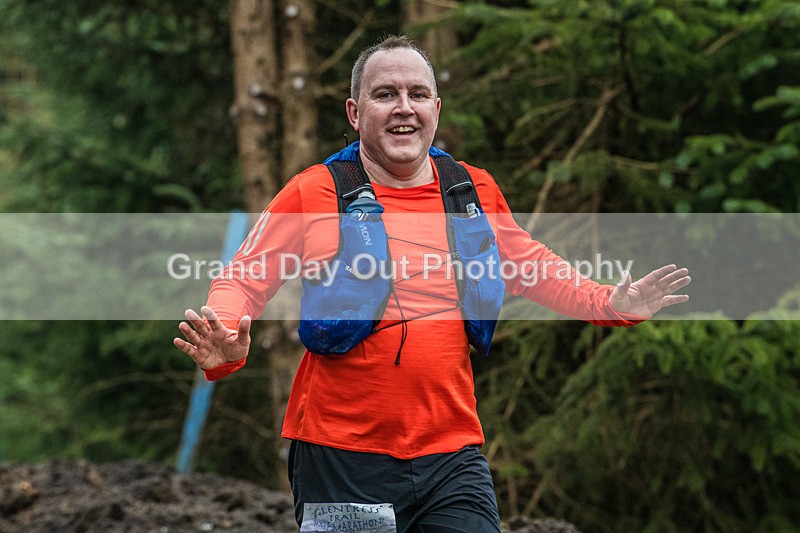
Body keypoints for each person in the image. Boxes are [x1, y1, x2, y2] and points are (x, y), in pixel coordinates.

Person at [174, 35, 691, 533]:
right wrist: (225, 332)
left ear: (436, 109)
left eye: (417, 94)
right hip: (341, 456)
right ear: (355, 113)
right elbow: (244, 275)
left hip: (451, 453)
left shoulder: (472, 189)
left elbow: (532, 265)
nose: (404, 107)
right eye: (385, 95)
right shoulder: (317, 191)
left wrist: (609, 301)